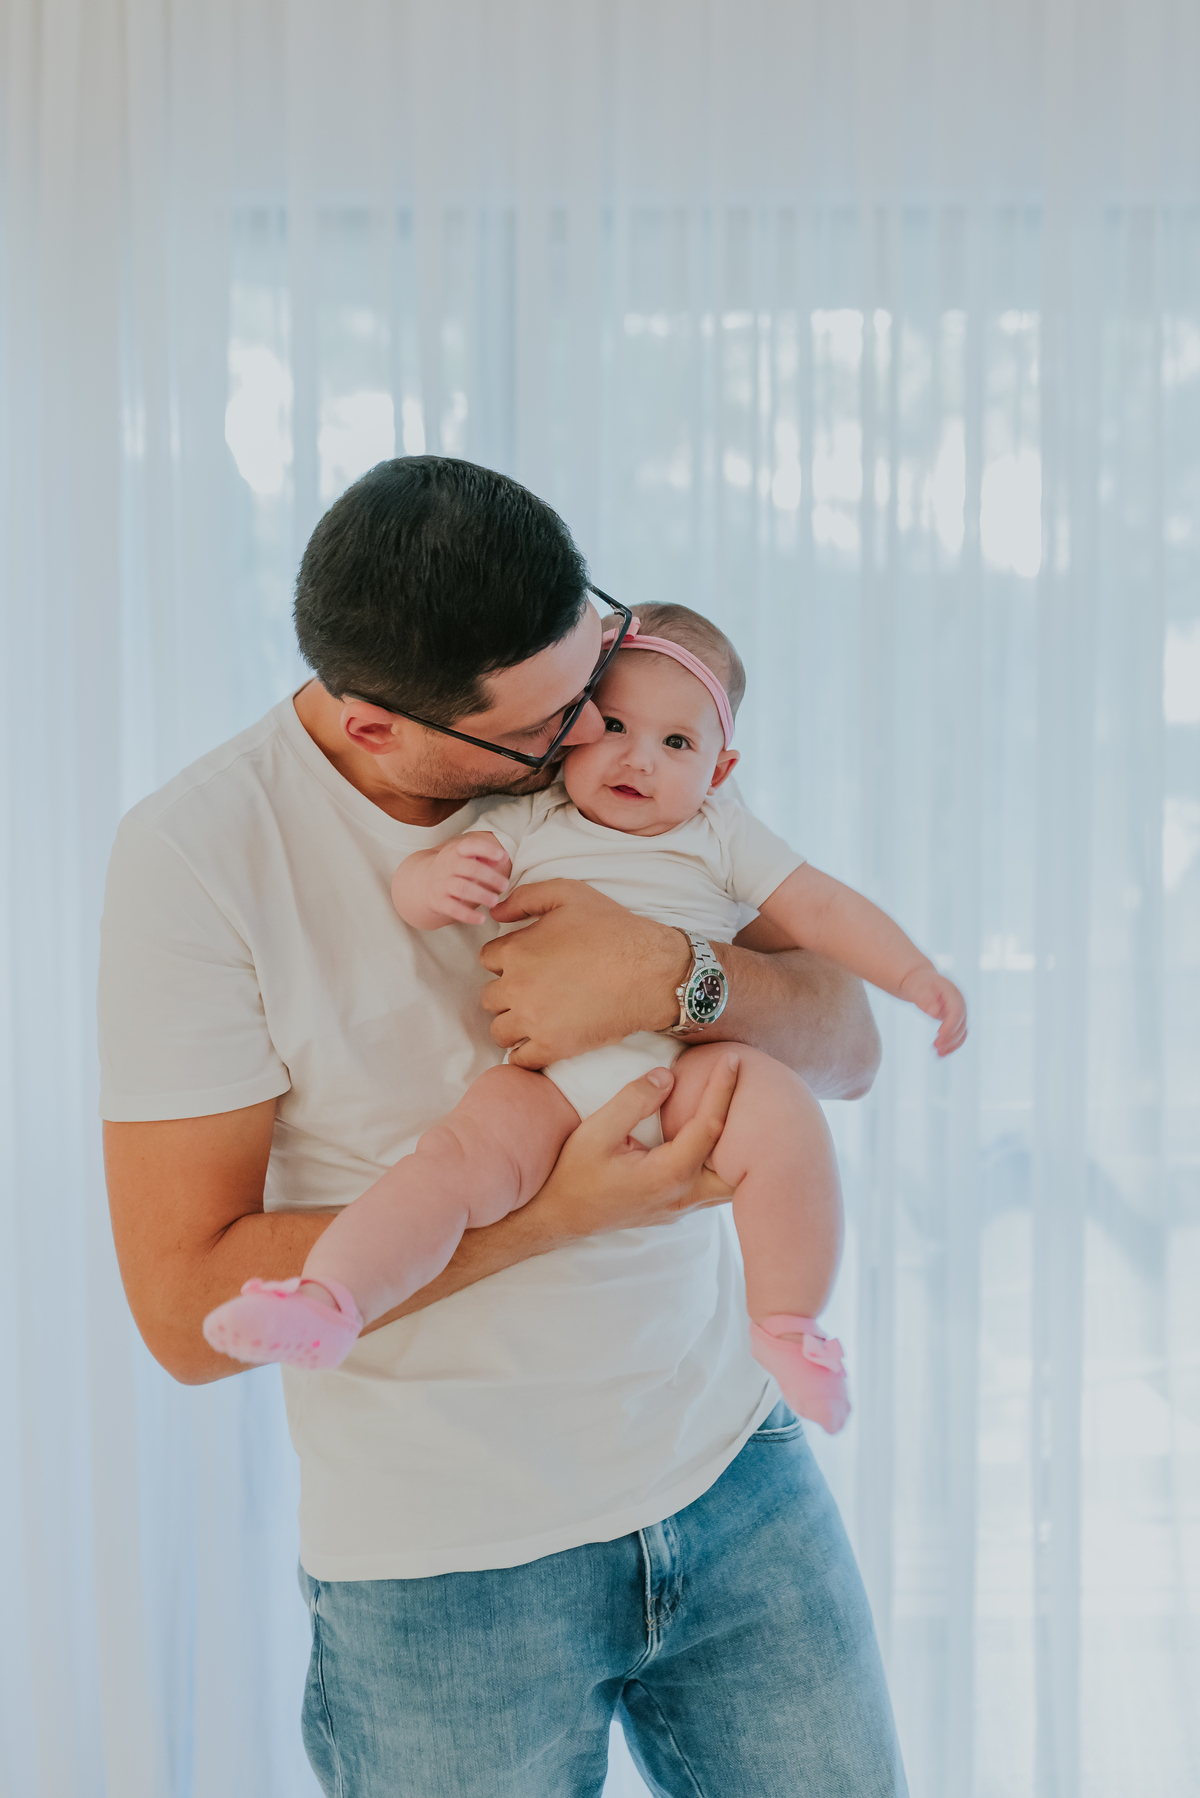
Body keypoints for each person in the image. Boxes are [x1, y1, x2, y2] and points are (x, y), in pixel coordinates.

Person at [100, 456, 909, 1796]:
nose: (595, 736)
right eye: (550, 728)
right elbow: (187, 1305)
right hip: (449, 1571)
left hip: (730, 1466)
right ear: (376, 729)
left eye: (593, 670)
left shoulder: (614, 734)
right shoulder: (200, 859)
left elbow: (849, 1041)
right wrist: (571, 1207)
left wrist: (676, 976)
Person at [201, 602, 966, 1442]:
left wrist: (913, 973)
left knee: (780, 1113)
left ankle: (789, 1326)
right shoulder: (531, 822)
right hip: (547, 1084)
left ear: (719, 769)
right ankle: (331, 1299)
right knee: (452, 1165)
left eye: (677, 744)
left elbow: (823, 910)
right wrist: (434, 883)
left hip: (685, 1070)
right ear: (567, 731)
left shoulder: (722, 832)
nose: (640, 756)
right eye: (613, 726)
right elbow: (417, 885)